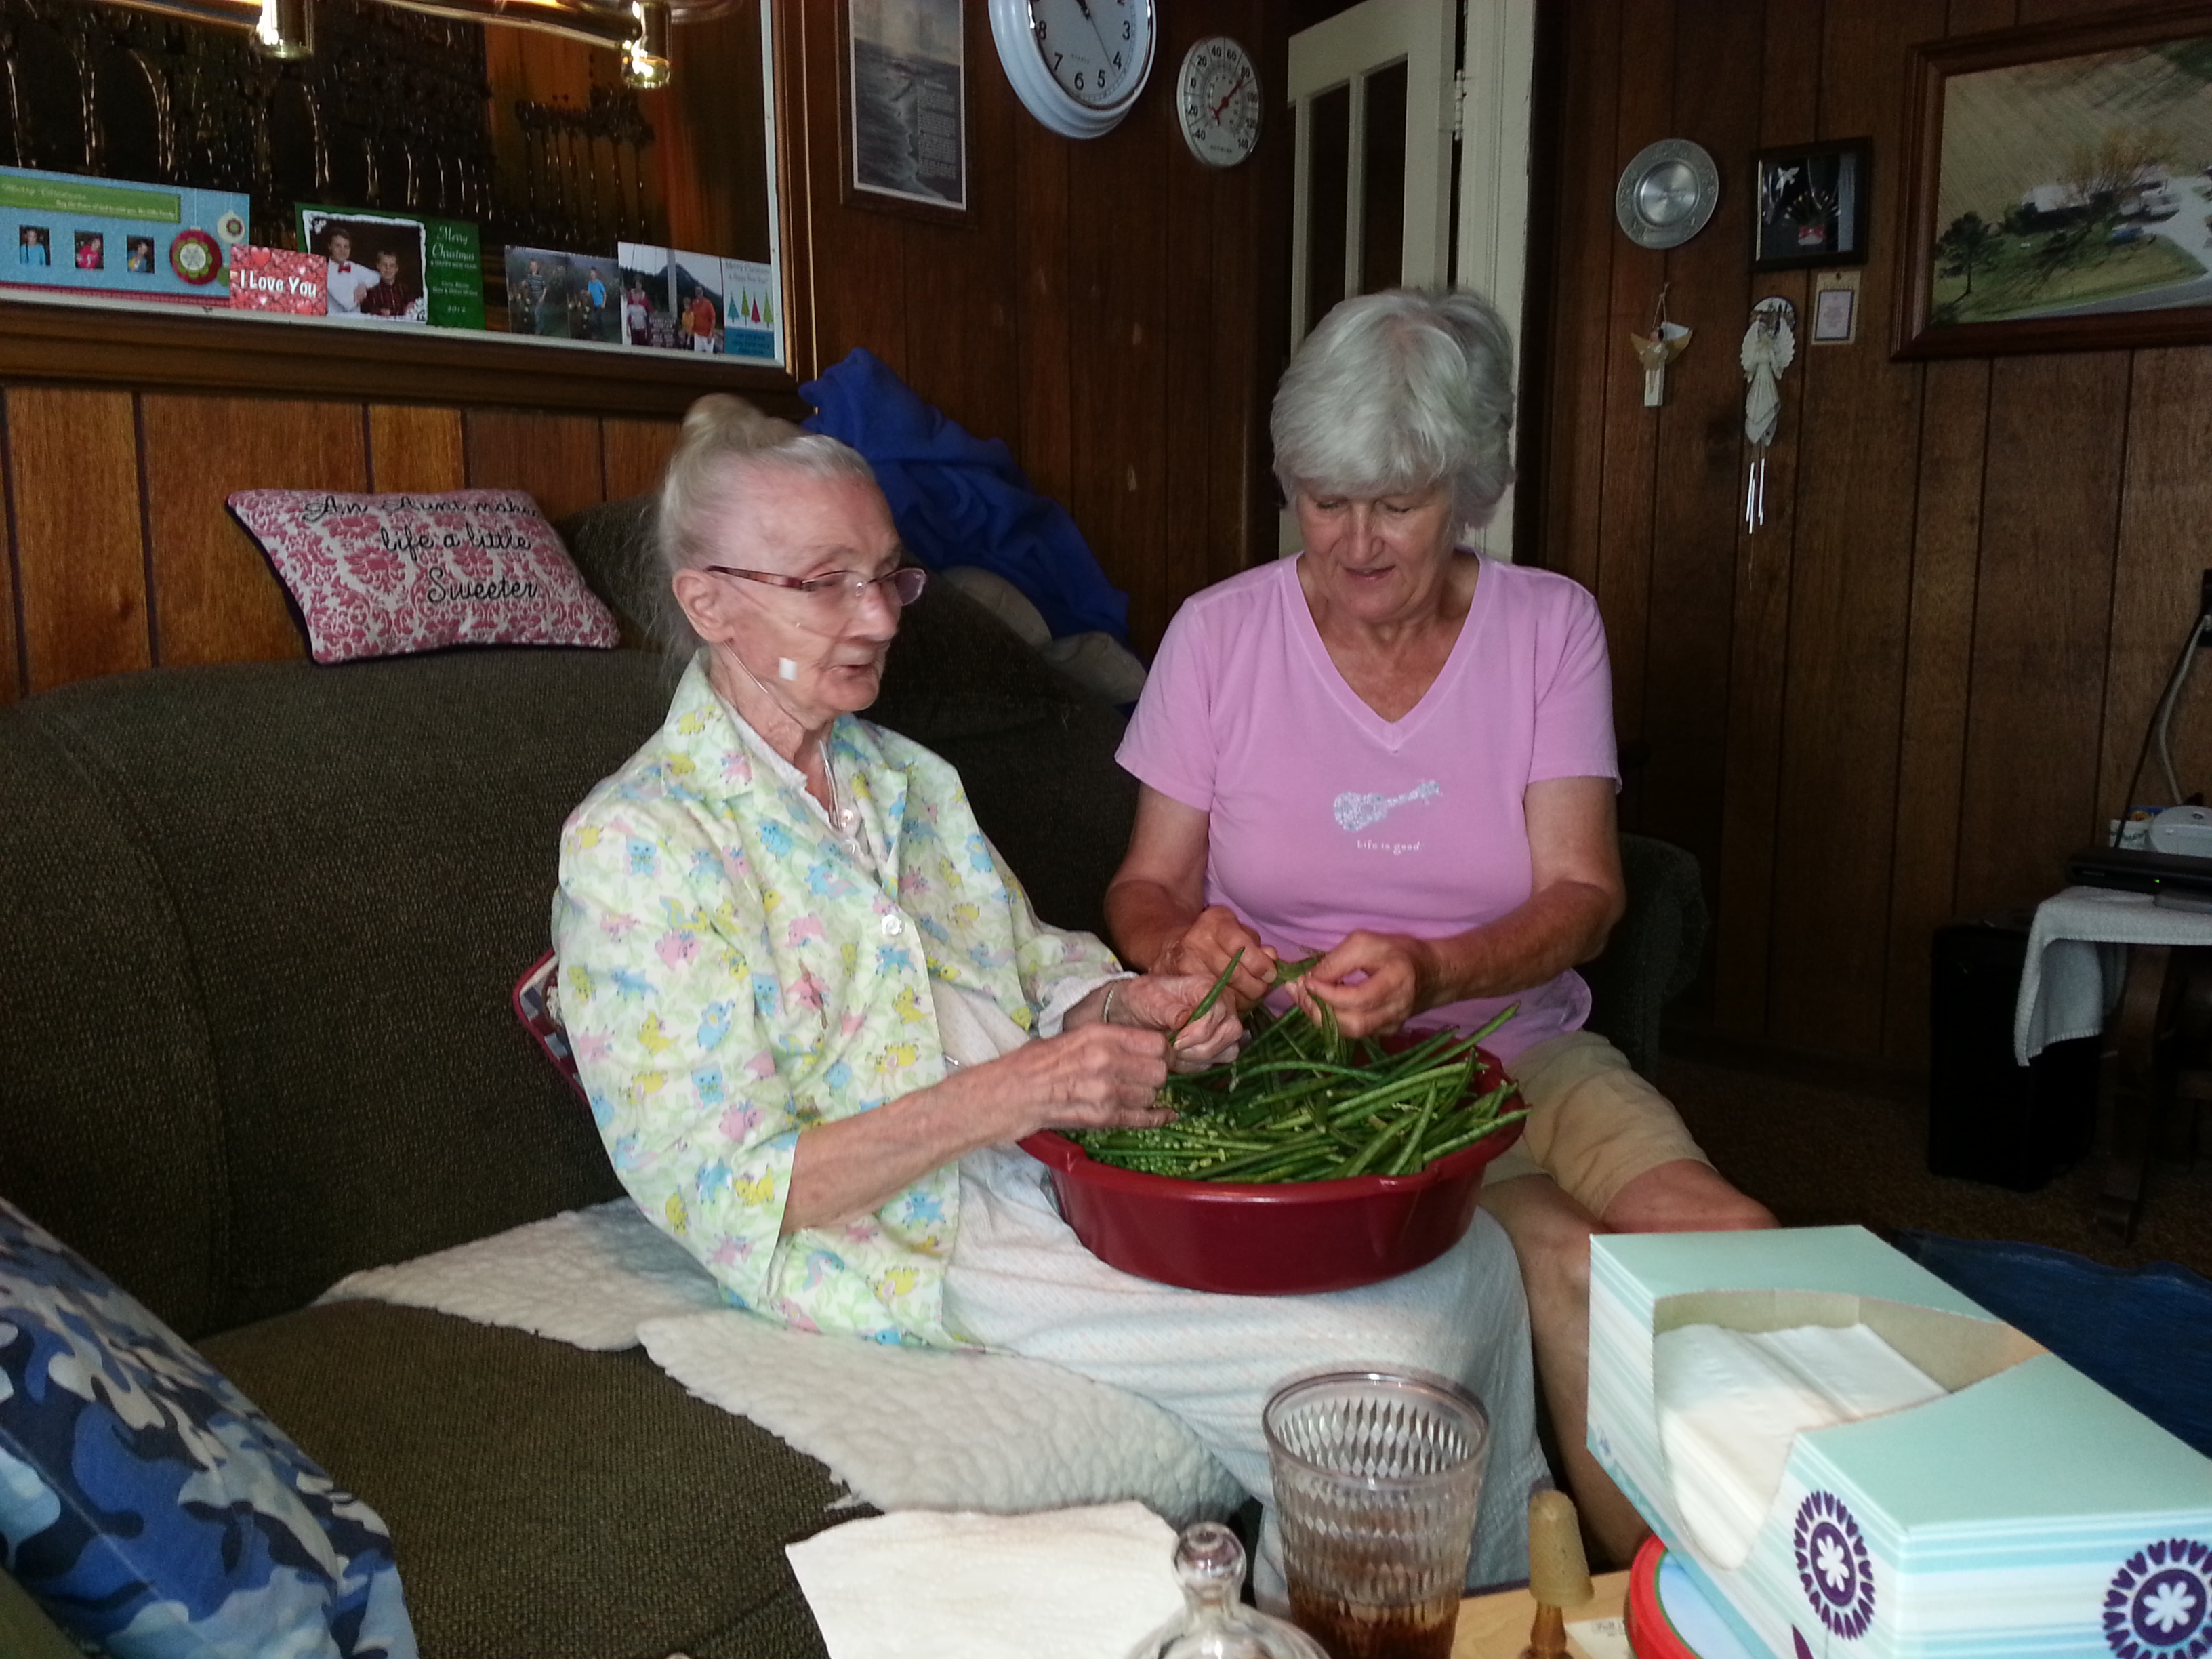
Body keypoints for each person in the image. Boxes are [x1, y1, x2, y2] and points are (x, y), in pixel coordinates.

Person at [551, 395, 1549, 1591]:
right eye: (826, 584)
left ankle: (1500, 1620)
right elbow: (722, 1188)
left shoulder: (907, 780)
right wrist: (1018, 1088)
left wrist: (1127, 1008)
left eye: (887, 575)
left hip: (1055, 1165)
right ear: (709, 601)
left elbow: (1037, 965)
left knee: (1471, 1266)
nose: (879, 617)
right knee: (1380, 1365)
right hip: (910, 1231)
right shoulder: (639, 846)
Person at [1103, 287, 1776, 1568]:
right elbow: (1142, 889)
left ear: (1467, 491)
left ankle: (1770, 1593)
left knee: (1731, 1246)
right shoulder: (1218, 635)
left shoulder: (1547, 625)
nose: (1355, 542)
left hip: (1521, 1045)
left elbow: (1586, 895)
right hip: (1312, 1079)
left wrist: (1434, 969)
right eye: (1324, 500)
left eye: (1397, 504)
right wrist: (1189, 945)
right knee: (1571, 1265)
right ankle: (1656, 1607)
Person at [357, 249, 417, 320]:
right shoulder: (372, 289)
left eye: (392, 266)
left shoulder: (404, 289)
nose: (388, 269)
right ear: (378, 266)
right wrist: (380, 313)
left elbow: (411, 310)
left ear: (397, 269)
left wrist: (392, 313)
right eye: (384, 265)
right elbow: (365, 312)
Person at [323, 229, 370, 315]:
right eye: (338, 246)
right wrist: (359, 296)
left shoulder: (353, 267)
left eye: (346, 247)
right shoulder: (324, 270)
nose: (342, 250)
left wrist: (363, 285)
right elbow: (348, 304)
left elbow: (377, 277)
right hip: (334, 320)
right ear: (330, 247)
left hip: (356, 320)